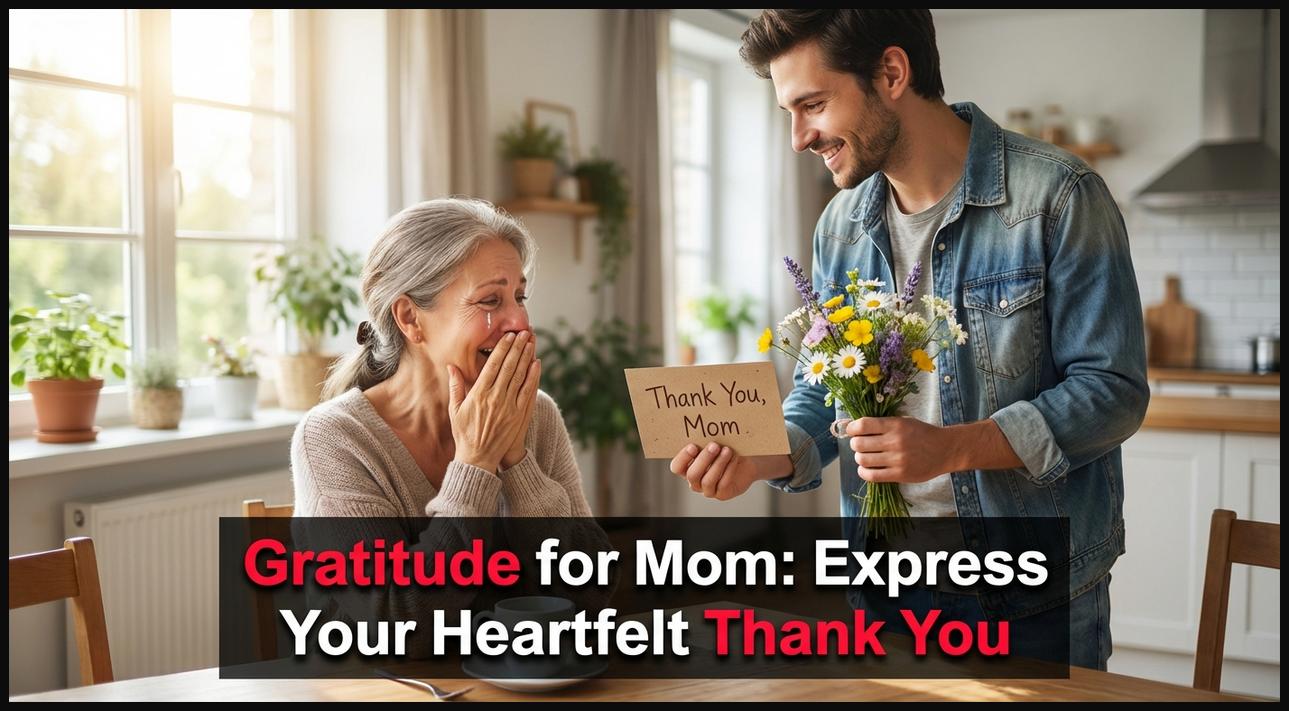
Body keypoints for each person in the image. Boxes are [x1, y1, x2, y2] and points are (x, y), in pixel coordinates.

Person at [669, 10, 1148, 670]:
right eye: (788, 111)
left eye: (811, 104)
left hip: (1028, 595)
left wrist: (949, 448)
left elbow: (1112, 392)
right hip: (883, 587)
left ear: (891, 73)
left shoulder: (1057, 196)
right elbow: (819, 390)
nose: (797, 137)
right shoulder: (839, 223)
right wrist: (761, 457)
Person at [287, 198, 610, 660]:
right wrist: (475, 464)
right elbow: (391, 629)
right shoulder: (335, 439)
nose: (519, 322)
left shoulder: (536, 415)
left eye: (519, 297)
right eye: (490, 301)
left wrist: (516, 460)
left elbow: (593, 597)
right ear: (410, 318)